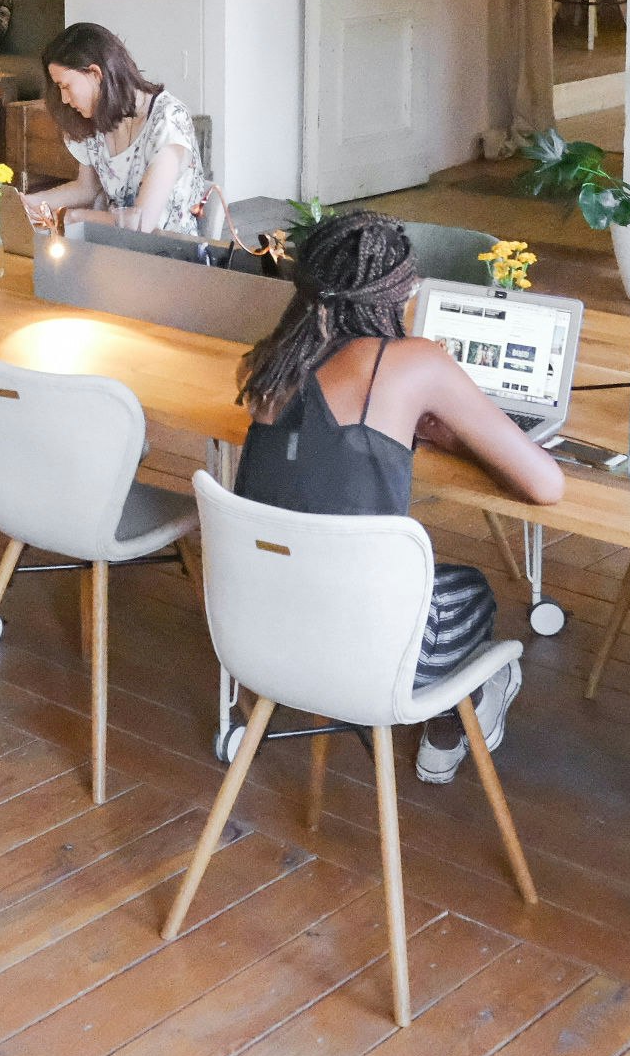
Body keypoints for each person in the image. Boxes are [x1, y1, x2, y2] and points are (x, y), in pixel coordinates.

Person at [233, 210, 566, 785]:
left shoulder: (266, 362)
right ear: (401, 292)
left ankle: (448, 726)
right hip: (370, 655)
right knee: (475, 591)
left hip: (258, 632)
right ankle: (451, 727)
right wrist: (460, 442)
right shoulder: (414, 363)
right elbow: (546, 484)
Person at [22, 22, 211, 238]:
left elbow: (142, 224)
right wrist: (29, 203)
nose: (64, 99)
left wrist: (75, 217)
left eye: (65, 86)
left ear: (95, 73)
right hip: (115, 250)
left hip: (170, 258)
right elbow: (86, 188)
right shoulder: (93, 119)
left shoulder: (168, 120)